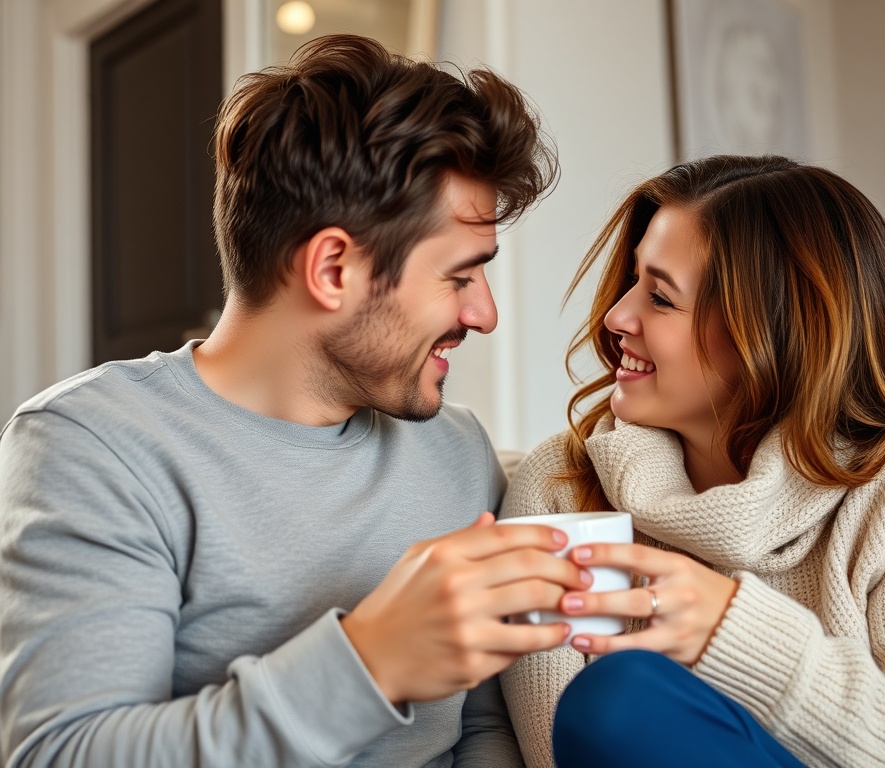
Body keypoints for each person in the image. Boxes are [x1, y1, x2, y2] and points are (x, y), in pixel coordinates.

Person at [0, 34, 590, 767]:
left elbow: (479, 726)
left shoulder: (456, 449)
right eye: (459, 276)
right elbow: (61, 755)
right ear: (333, 269)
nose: (485, 314)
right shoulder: (94, 446)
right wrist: (371, 662)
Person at [499, 155, 885, 767]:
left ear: (772, 336)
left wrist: (735, 632)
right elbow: (560, 749)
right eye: (633, 281)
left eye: (661, 298)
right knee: (616, 703)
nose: (616, 317)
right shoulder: (563, 487)